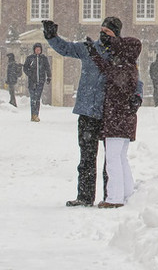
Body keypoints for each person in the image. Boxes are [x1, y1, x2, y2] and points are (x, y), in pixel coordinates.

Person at [44, 17, 115, 206]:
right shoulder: (89, 49)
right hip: (87, 111)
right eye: (101, 30)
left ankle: (111, 196)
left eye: (107, 32)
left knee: (112, 160)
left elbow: (134, 78)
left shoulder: (120, 53)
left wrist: (137, 96)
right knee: (86, 158)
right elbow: (66, 48)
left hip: (109, 112)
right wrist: (52, 37)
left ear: (115, 34)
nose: (102, 34)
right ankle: (84, 197)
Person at [89, 33, 143, 207]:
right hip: (124, 120)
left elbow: (108, 72)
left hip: (116, 120)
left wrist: (95, 55)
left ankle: (114, 198)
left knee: (112, 160)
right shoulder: (130, 67)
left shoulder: (123, 68)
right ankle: (127, 193)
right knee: (120, 158)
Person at [24, 43, 51, 122]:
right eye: (36, 49)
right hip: (32, 82)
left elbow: (47, 68)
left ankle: (36, 114)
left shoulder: (43, 58)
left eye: (39, 49)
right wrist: (29, 74)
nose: (38, 50)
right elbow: (25, 67)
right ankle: (33, 115)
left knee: (37, 98)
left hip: (40, 81)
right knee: (33, 99)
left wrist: (49, 77)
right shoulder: (30, 58)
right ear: (34, 50)